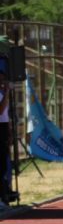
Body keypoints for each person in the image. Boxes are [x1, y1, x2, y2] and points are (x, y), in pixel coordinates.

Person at [0, 70, 12, 205]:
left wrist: (8, 132)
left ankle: (4, 196)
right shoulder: (2, 95)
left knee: (3, 165)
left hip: (3, 128)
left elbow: (5, 115)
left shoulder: (2, 94)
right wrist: (7, 92)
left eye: (3, 80)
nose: (2, 82)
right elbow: (1, 110)